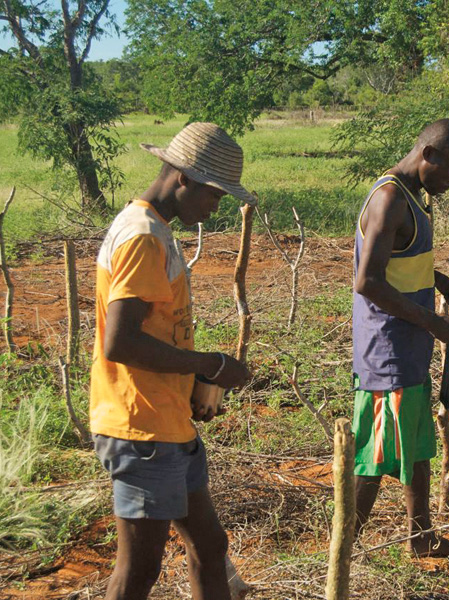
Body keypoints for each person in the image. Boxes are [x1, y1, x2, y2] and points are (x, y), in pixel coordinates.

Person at [90, 122, 253, 600]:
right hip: (140, 427)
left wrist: (194, 382)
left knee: (209, 543)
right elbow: (119, 343)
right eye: (214, 195)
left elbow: (155, 330)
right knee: (139, 569)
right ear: (184, 178)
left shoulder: (154, 229)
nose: (214, 208)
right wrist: (211, 364)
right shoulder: (143, 235)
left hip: (166, 419)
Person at [352, 119, 449, 560]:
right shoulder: (389, 200)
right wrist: (431, 322)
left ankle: (420, 537)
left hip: (408, 347)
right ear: (429, 155)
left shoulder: (412, 196)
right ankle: (342, 550)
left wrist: (437, 279)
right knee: (374, 454)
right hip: (387, 351)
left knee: (416, 443)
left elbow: (398, 262)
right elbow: (369, 281)